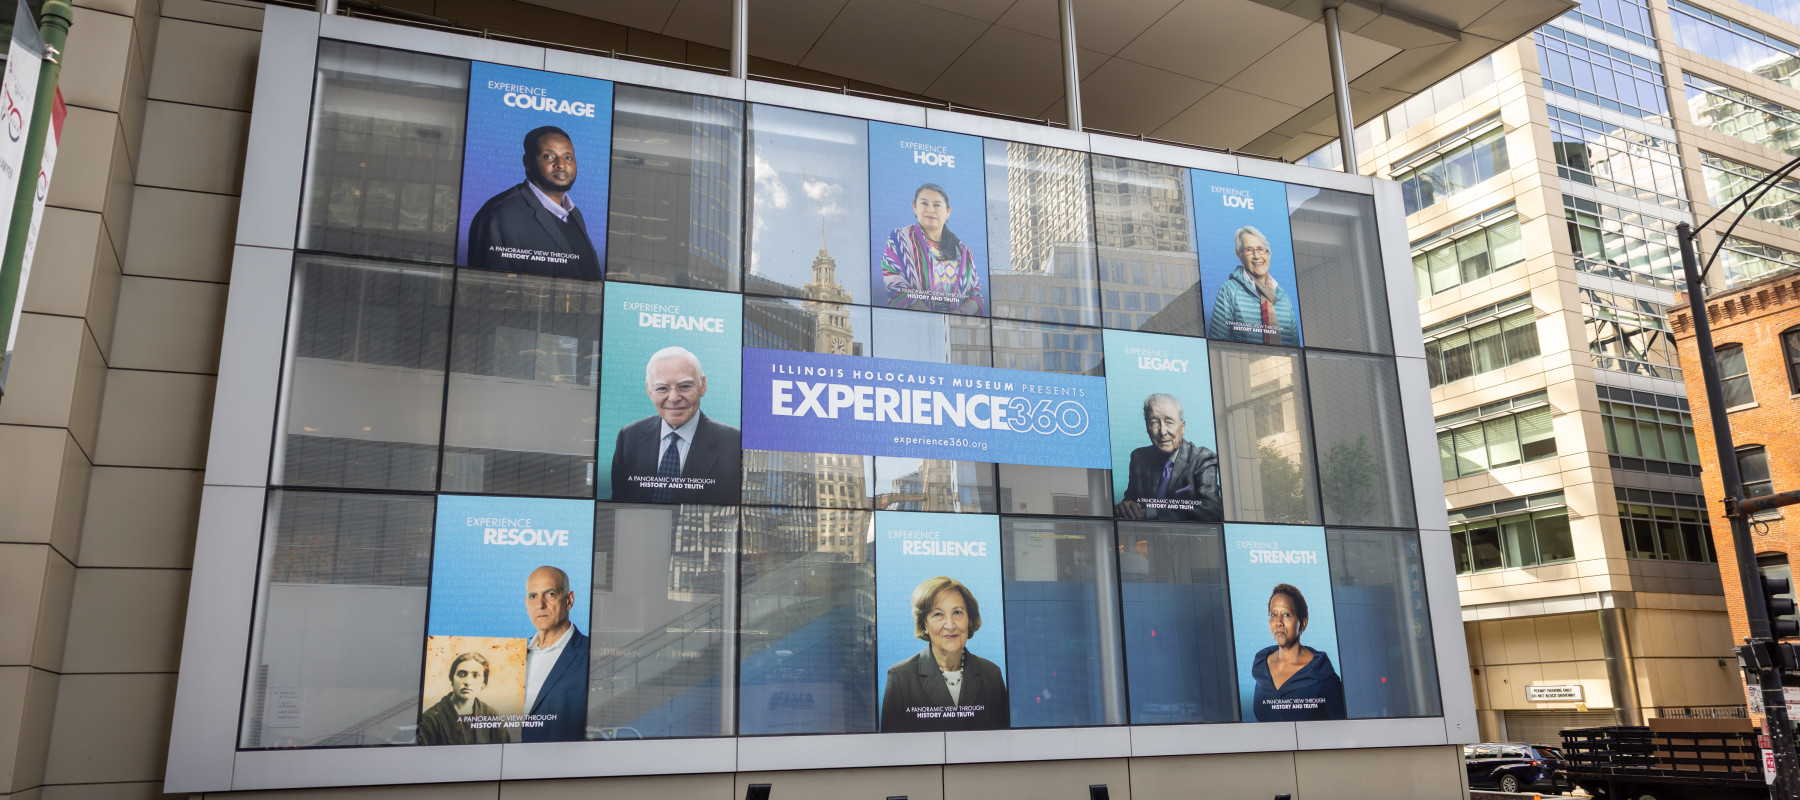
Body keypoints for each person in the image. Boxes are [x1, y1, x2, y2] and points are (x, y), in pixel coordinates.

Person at [466, 125, 603, 279]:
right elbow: (490, 290)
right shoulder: (500, 214)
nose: (561, 164)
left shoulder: (573, 214)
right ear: (527, 162)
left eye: (568, 157)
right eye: (549, 156)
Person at [609, 346, 742, 504]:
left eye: (684, 386)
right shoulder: (629, 437)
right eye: (662, 388)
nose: (673, 398)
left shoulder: (735, 443)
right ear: (649, 391)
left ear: (703, 386)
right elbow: (618, 506)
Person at [880, 577, 1009, 732]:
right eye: (938, 614)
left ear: (969, 619)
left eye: (957, 612)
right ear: (924, 624)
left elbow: (1003, 740)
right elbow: (892, 748)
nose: (950, 625)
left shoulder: (991, 674)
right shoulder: (900, 677)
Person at [879, 183, 986, 315]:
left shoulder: (963, 251)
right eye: (924, 203)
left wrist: (958, 314)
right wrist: (932, 319)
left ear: (948, 212)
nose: (930, 209)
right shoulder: (899, 239)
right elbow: (895, 286)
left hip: (957, 330)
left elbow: (976, 295)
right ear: (914, 207)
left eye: (937, 205)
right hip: (912, 324)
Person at [1116, 393, 1222, 522]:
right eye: (1154, 423)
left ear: (1182, 427)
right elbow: (1132, 499)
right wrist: (1127, 507)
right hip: (1145, 538)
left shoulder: (1203, 458)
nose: (1162, 431)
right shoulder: (1139, 458)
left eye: (1169, 422)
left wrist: (1150, 513)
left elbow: (1211, 510)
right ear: (1147, 428)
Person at [1250, 583, 1345, 721]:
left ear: (1303, 623)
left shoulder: (1322, 676)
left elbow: (1342, 729)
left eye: (1286, 614)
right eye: (1274, 614)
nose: (1278, 622)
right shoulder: (1261, 667)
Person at [520, 565, 589, 742]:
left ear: (569, 600)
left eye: (550, 594)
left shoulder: (590, 655)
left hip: (563, 764)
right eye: (533, 596)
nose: (540, 604)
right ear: (526, 604)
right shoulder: (512, 655)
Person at [1207, 225, 1299, 346]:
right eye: (1249, 250)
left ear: (1268, 254)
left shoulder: (1283, 296)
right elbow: (1217, 343)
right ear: (1239, 255)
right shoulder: (1229, 290)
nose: (1256, 256)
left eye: (1261, 249)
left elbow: (1295, 346)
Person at [418, 651, 508, 745]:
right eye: (462, 674)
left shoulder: (492, 715)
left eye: (475, 675)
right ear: (452, 679)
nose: (467, 682)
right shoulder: (431, 719)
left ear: (483, 684)